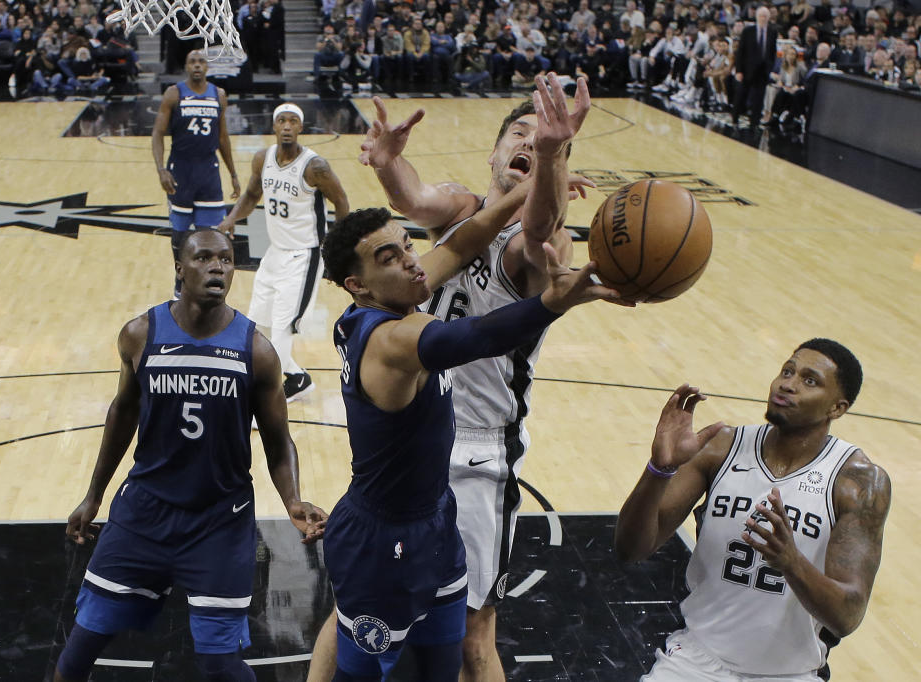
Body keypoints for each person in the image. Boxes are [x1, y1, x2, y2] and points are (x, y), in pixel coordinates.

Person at [307, 74, 610, 682]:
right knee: (363, 634)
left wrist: (542, 170)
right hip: (404, 491)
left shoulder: (531, 240)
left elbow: (512, 229)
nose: (413, 261)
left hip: (468, 463)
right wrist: (555, 300)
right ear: (493, 154)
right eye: (518, 133)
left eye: (545, 137)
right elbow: (425, 217)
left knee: (465, 638)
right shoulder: (396, 330)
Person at [53, 229, 326, 682]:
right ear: (180, 268)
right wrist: (92, 495)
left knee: (220, 665)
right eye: (203, 258)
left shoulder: (256, 350)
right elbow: (122, 414)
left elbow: (278, 441)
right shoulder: (141, 334)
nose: (217, 266)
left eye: (226, 259)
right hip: (143, 514)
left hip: (219, 522)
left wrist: (293, 500)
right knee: (81, 647)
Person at [615, 339, 891, 681]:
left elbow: (847, 616)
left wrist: (792, 562)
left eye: (809, 380)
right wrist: (659, 470)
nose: (788, 383)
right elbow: (631, 550)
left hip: (793, 673)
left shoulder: (857, 482)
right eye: (787, 371)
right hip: (696, 661)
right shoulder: (720, 448)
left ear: (837, 408)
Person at [219, 103, 350, 403]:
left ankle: (267, 398)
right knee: (258, 326)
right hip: (274, 252)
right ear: (274, 126)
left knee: (281, 330)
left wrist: (336, 248)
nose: (287, 126)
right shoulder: (262, 158)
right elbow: (252, 195)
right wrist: (230, 219)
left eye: (293, 121)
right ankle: (297, 379)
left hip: (304, 257)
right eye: (282, 121)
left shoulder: (315, 166)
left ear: (300, 128)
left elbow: (342, 202)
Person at [151, 49, 240, 299]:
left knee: (210, 237)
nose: (197, 65)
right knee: (179, 236)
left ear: (208, 67)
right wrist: (161, 169)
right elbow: (157, 133)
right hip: (180, 170)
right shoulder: (174, 93)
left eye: (201, 61)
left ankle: (208, 286)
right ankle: (180, 284)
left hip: (208, 172)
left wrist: (233, 173)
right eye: (192, 61)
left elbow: (223, 137)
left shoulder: (218, 95)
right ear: (186, 67)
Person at [732, 6, 777, 127]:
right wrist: (739, 70)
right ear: (757, 17)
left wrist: (770, 67)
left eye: (765, 16)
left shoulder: (772, 32)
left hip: (763, 71)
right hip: (747, 69)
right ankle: (735, 118)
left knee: (759, 99)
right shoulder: (748, 31)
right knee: (741, 95)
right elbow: (741, 52)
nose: (763, 18)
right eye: (761, 16)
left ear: (768, 18)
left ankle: (754, 123)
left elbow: (772, 52)